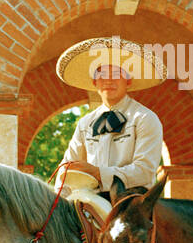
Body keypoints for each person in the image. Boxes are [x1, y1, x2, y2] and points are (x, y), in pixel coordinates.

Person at [54, 37, 164, 198]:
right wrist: (56, 202)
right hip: (90, 199)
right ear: (94, 82)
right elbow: (67, 166)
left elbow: (144, 172)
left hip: (132, 201)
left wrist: (98, 173)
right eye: (102, 75)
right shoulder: (85, 123)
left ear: (128, 81)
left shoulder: (145, 118)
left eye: (116, 74)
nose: (108, 80)